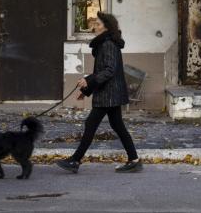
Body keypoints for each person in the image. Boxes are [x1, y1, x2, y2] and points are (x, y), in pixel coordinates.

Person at [55, 12, 142, 173]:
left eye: (98, 24)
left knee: (91, 124)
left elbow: (109, 70)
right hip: (110, 93)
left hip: (108, 94)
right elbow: (104, 71)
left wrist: (88, 81)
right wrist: (86, 89)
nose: (95, 26)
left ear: (107, 27)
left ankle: (75, 161)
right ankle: (134, 159)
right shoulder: (106, 43)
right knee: (118, 126)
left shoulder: (108, 44)